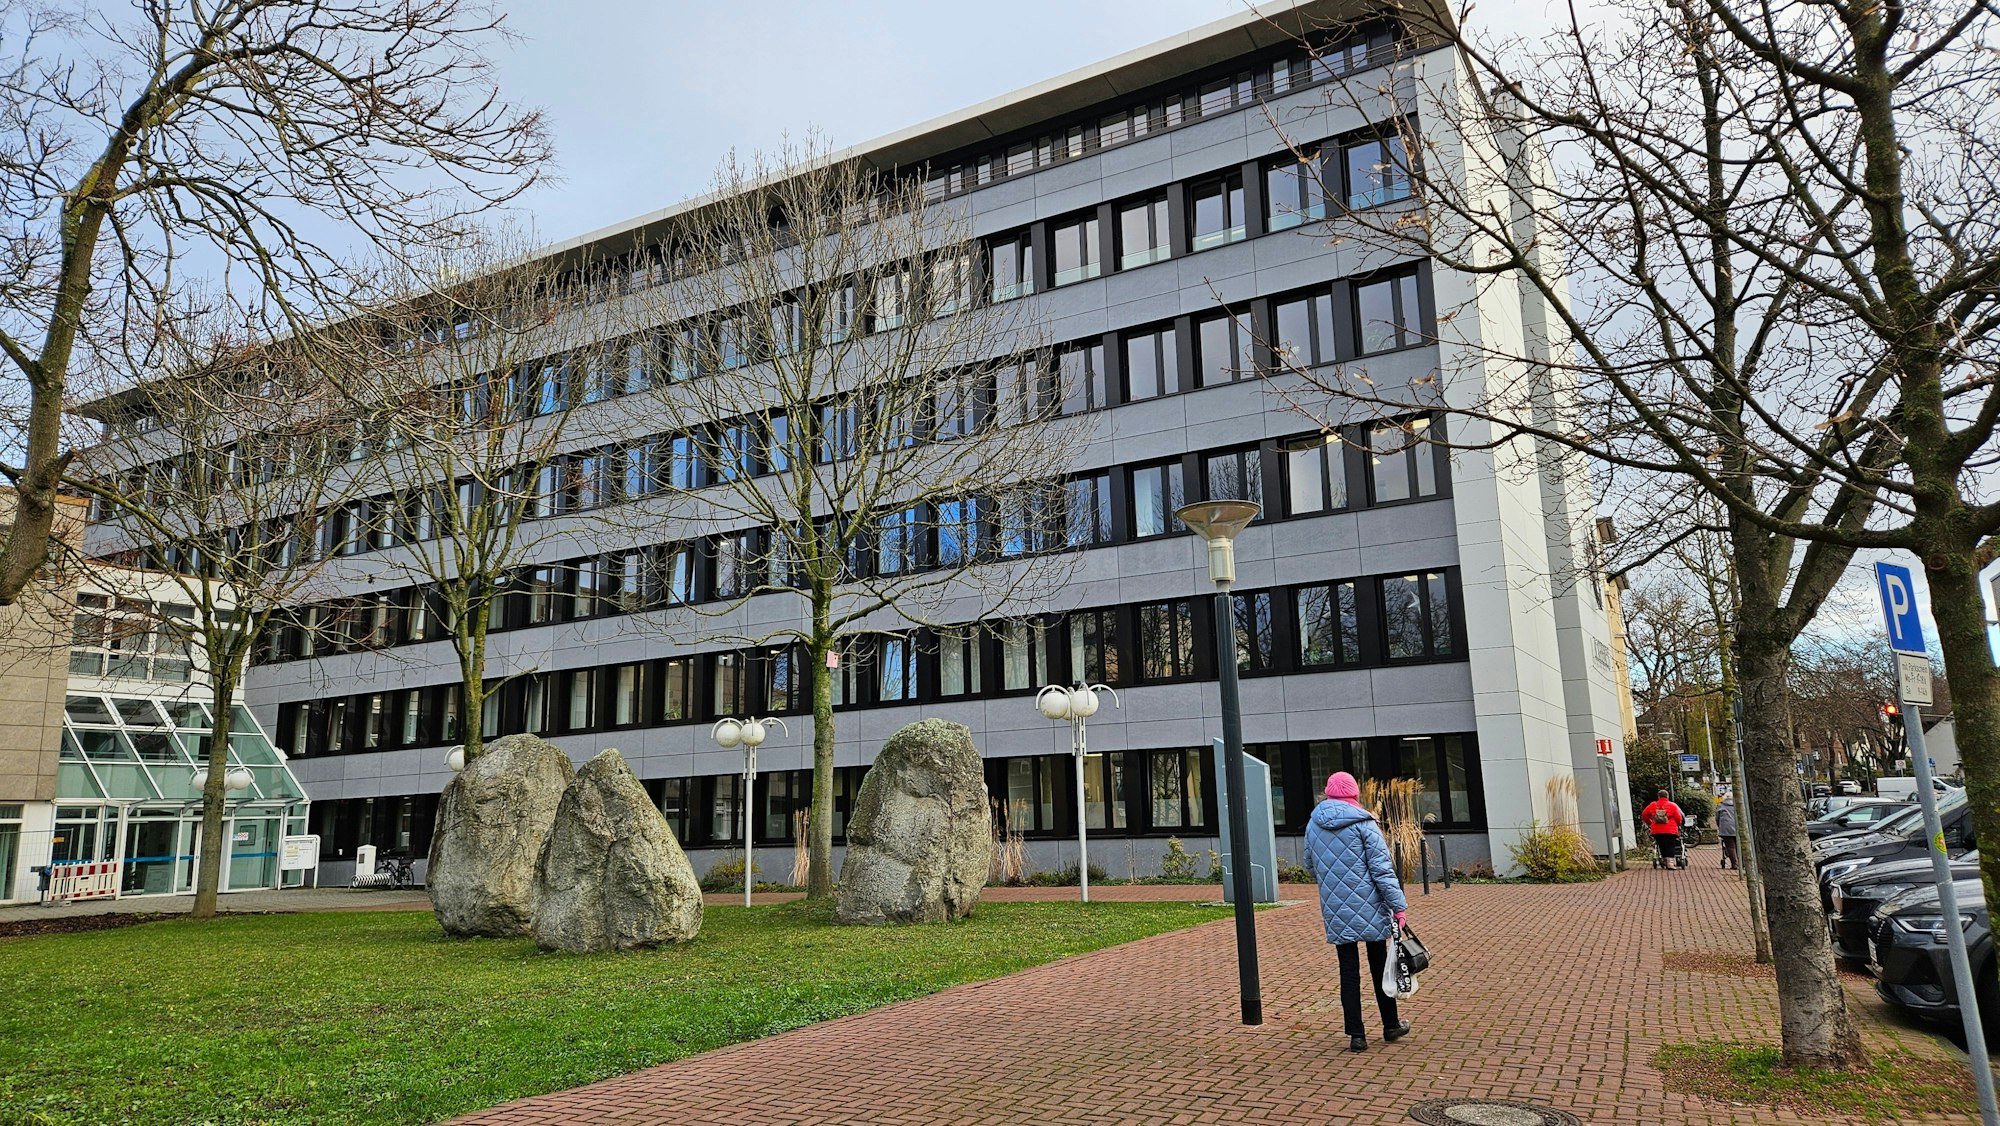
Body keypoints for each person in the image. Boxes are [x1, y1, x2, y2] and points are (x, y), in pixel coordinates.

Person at [1303, 771, 1411, 1053]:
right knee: (1379, 965)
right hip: (1371, 905)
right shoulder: (1365, 824)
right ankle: (1390, 1025)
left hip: (1335, 907)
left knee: (1348, 971)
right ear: (1355, 793)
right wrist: (1398, 906)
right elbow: (1382, 870)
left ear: (1328, 793)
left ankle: (1356, 1035)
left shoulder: (1314, 824)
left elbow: (1309, 865)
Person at [1640, 789, 1685, 868]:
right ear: (1667, 796)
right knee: (1670, 845)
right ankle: (1670, 863)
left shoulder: (1653, 805)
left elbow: (1644, 815)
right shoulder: (1672, 805)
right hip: (1670, 830)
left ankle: (1664, 860)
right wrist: (1677, 825)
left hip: (1656, 830)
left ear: (1658, 796)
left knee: (1661, 845)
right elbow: (1679, 818)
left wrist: (1650, 823)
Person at [1715, 796, 1739, 870]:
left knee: (1730, 846)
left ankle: (1734, 864)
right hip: (1738, 828)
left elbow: (1717, 818)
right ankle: (1741, 863)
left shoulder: (1721, 806)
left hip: (1726, 829)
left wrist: (1720, 827)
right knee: (1738, 846)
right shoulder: (1738, 805)